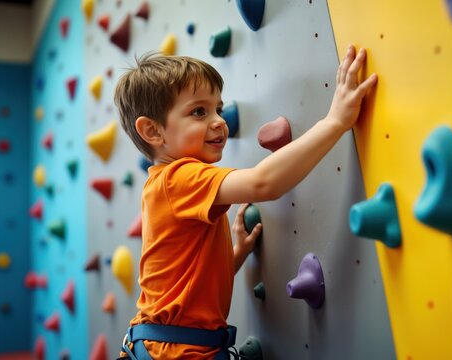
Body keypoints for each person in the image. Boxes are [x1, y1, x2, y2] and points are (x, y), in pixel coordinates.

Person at [114, 45, 377, 360]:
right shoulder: (179, 178)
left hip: (164, 346)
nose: (218, 122)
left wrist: (232, 254)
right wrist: (335, 121)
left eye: (219, 110)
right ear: (152, 130)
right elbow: (262, 183)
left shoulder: (163, 185)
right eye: (199, 111)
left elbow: (181, 278)